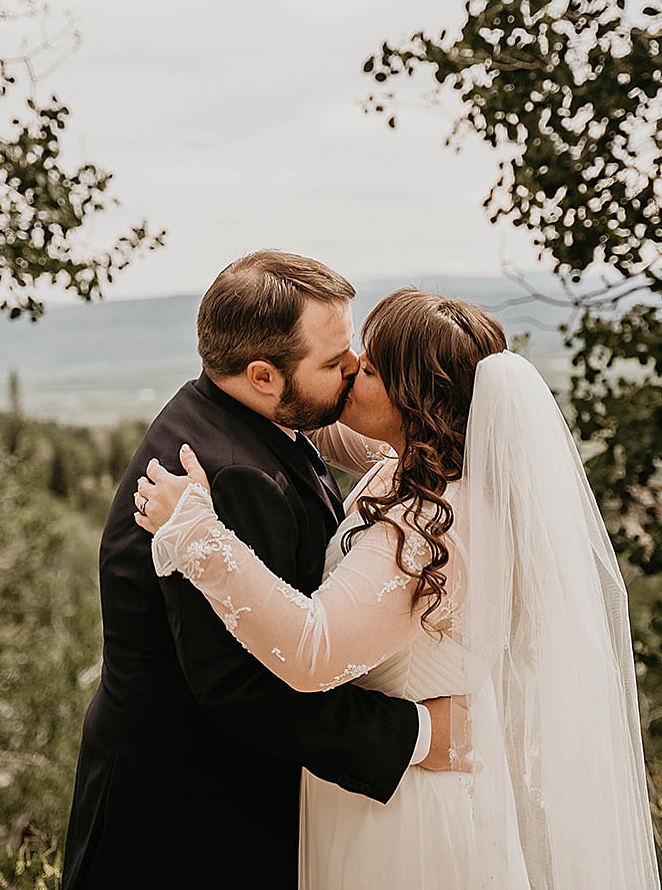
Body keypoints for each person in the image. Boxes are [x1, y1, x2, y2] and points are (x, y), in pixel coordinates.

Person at [134, 287, 661, 889]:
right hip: (395, 786)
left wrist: (197, 532)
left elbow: (314, 651)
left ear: (416, 403)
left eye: (373, 368)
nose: (353, 369)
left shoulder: (425, 525)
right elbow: (316, 419)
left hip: (403, 812)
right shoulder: (435, 466)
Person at [60, 253, 461, 890]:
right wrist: (414, 735)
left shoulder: (244, 411)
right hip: (186, 824)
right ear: (264, 376)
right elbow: (241, 690)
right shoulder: (232, 476)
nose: (353, 368)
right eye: (334, 363)